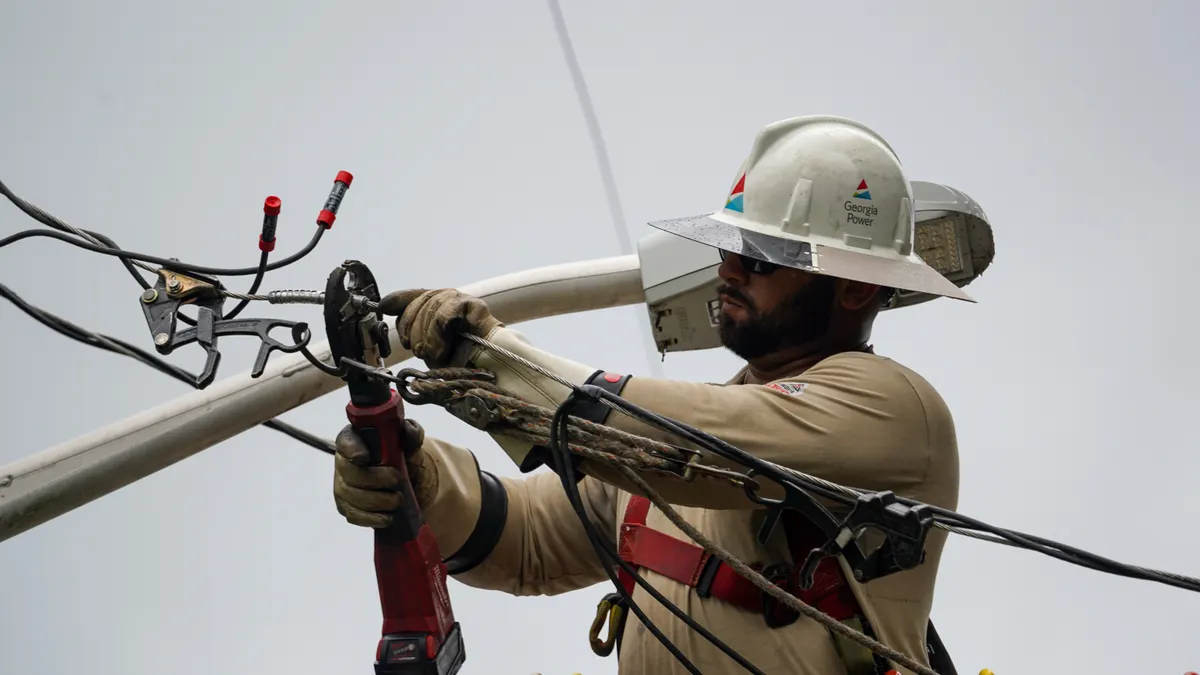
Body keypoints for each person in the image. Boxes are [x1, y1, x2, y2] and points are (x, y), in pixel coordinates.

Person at [332, 115, 977, 675]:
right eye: (729, 248)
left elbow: (681, 442)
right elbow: (523, 538)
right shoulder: (654, 442)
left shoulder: (893, 411)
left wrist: (485, 353)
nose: (726, 271)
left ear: (856, 289)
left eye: (760, 258)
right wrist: (423, 482)